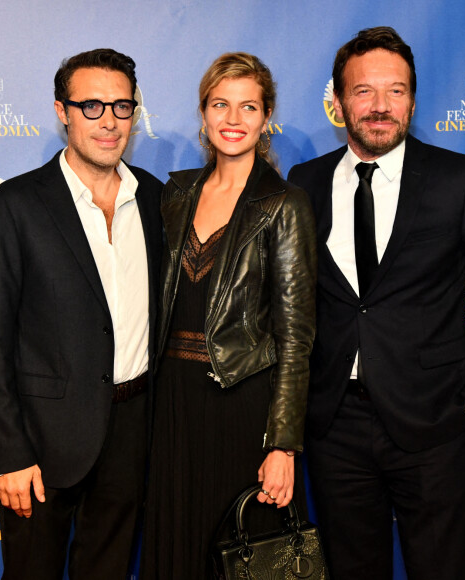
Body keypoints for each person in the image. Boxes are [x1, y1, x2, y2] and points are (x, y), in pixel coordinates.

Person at [288, 26, 465, 580]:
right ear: (339, 100)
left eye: (395, 91)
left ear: (413, 100)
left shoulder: (460, 179)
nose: (379, 106)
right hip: (334, 426)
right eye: (364, 91)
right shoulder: (305, 182)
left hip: (436, 423)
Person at [0, 48, 163, 580]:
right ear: (63, 111)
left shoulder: (155, 198)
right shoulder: (17, 204)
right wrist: (8, 452)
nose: (109, 122)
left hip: (130, 429)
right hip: (39, 442)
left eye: (122, 107)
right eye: (92, 106)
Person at [141, 52, 317, 578]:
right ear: (203, 113)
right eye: (221, 104)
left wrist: (283, 443)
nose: (233, 119)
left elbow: (296, 336)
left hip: (242, 406)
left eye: (248, 106)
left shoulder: (284, 203)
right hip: (172, 404)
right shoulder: (174, 194)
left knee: (244, 559)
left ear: (266, 118)